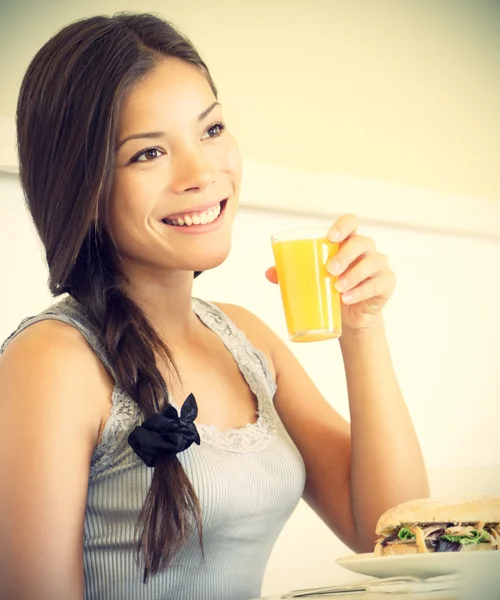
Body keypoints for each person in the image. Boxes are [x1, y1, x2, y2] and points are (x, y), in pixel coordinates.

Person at [0, 12, 429, 600]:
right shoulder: (51, 360)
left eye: (211, 129)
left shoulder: (245, 339)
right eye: (148, 153)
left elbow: (390, 531)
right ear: (83, 186)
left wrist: (363, 328)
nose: (203, 172)